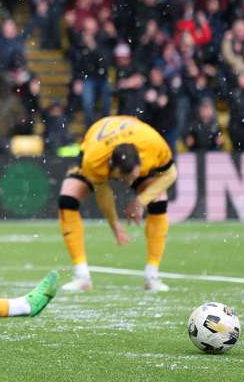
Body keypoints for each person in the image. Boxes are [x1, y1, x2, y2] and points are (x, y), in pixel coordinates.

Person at [57, 115, 174, 292]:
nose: (128, 182)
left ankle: (152, 275)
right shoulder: (95, 161)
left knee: (159, 200)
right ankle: (81, 276)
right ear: (113, 169)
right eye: (124, 178)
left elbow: (171, 174)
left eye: (133, 176)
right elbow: (103, 193)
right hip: (97, 143)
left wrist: (140, 201)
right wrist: (115, 225)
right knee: (67, 198)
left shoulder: (153, 145)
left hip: (136, 137)